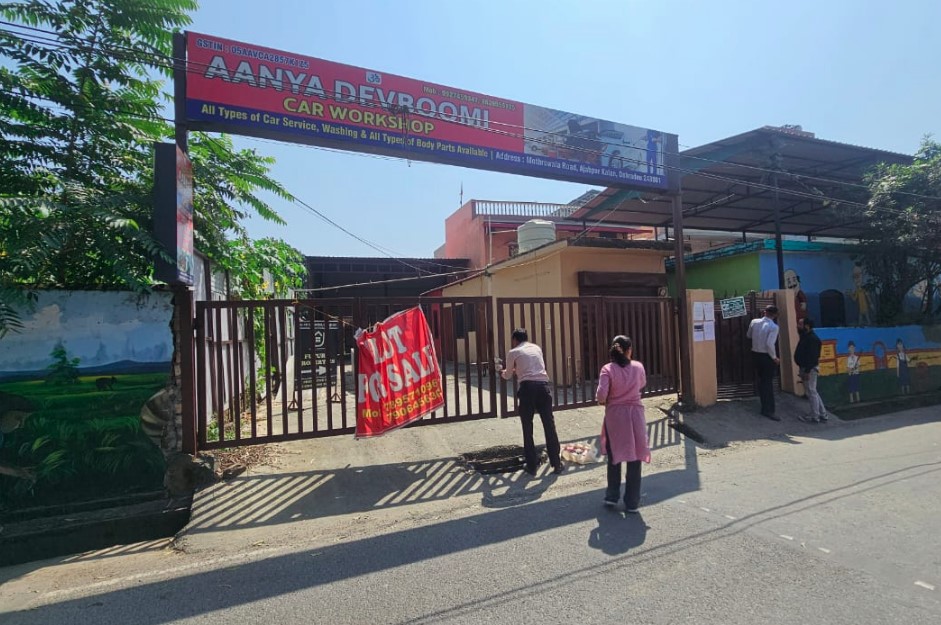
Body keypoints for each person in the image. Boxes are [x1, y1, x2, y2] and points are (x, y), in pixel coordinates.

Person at [497, 328, 564, 476]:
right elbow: (533, 368)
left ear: (515, 340)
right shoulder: (536, 348)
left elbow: (507, 375)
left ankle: (532, 466)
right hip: (543, 387)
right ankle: (557, 463)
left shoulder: (513, 352)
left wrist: (502, 372)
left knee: (527, 428)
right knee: (549, 425)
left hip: (527, 389)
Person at [596, 336, 650, 513]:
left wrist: (604, 401)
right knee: (635, 457)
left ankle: (612, 496)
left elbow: (601, 395)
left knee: (614, 456)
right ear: (629, 350)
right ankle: (632, 502)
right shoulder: (638, 367)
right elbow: (642, 384)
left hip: (615, 417)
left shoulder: (607, 369)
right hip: (636, 416)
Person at [746, 305, 780, 420]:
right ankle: (768, 410)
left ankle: (764, 406)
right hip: (766, 357)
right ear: (775, 315)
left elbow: (748, 335)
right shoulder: (773, 327)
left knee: (761, 382)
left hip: (755, 355)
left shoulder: (754, 322)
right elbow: (770, 344)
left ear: (764, 312)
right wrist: (774, 358)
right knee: (768, 383)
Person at [794, 318, 828, 423]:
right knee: (813, 391)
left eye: (800, 324)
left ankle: (815, 416)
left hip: (809, 369)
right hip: (806, 368)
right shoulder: (805, 336)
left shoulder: (812, 339)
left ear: (807, 326)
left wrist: (807, 371)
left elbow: (813, 357)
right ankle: (822, 413)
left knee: (811, 392)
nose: (798, 326)